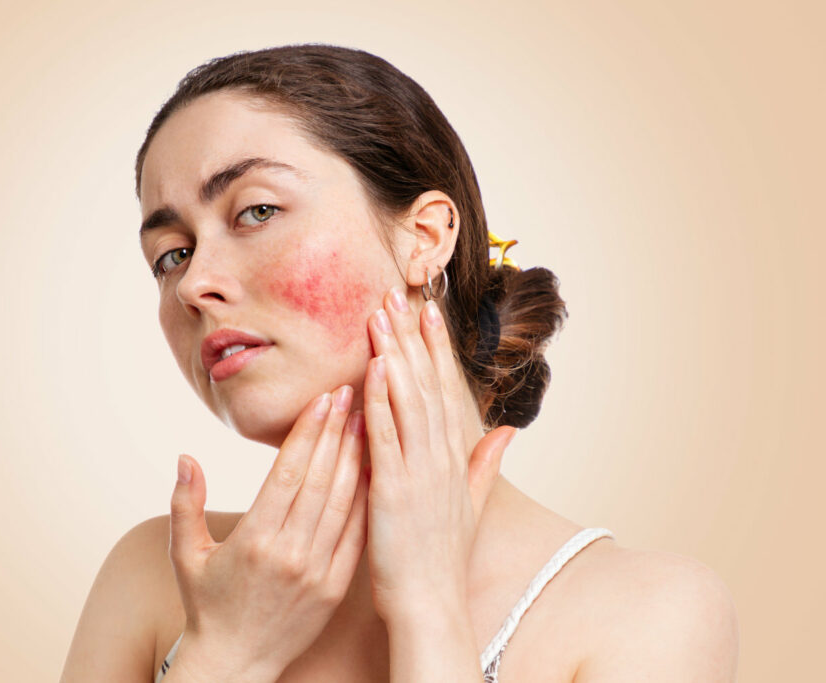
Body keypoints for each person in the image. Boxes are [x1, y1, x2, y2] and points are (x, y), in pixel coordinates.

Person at [60, 44, 739, 682]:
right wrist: (225, 651)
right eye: (170, 253)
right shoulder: (152, 577)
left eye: (256, 210)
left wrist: (429, 608)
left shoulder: (651, 612)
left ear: (425, 236)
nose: (192, 283)